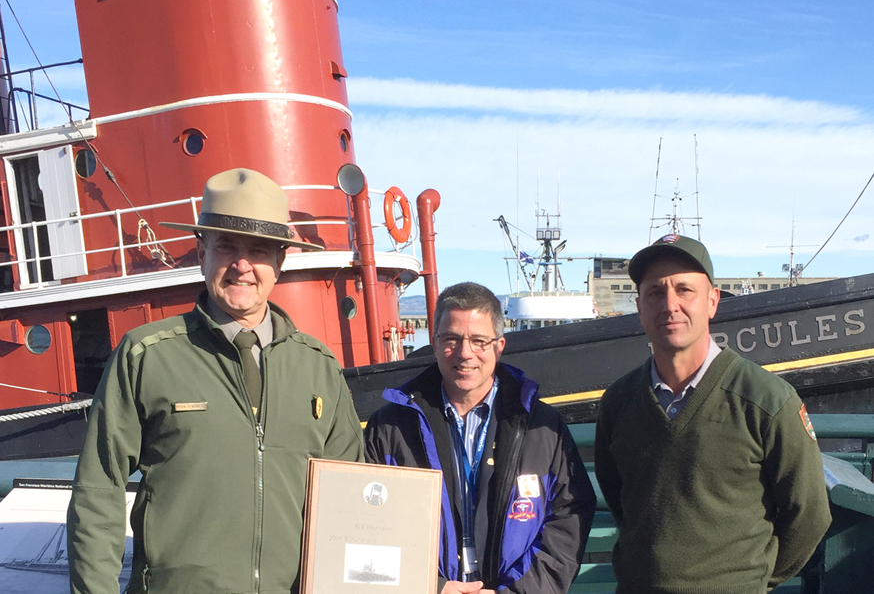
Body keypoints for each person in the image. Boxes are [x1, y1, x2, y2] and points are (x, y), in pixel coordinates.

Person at [67, 168, 363, 594]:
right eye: (226, 246)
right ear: (202, 251)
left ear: (279, 261)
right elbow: (98, 490)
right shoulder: (146, 355)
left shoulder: (319, 367)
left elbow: (352, 501)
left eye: (259, 250)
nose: (242, 266)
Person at [594, 234, 831, 593]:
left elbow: (810, 514)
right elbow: (620, 496)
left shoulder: (766, 399)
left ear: (712, 301)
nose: (670, 305)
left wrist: (752, 580)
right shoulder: (619, 402)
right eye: (656, 292)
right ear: (640, 306)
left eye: (684, 290)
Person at [365, 282, 595, 594]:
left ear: (499, 346)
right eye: (451, 340)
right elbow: (368, 524)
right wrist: (430, 586)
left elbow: (568, 515)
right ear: (434, 343)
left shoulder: (541, 426)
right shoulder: (390, 427)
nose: (464, 353)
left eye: (479, 341)